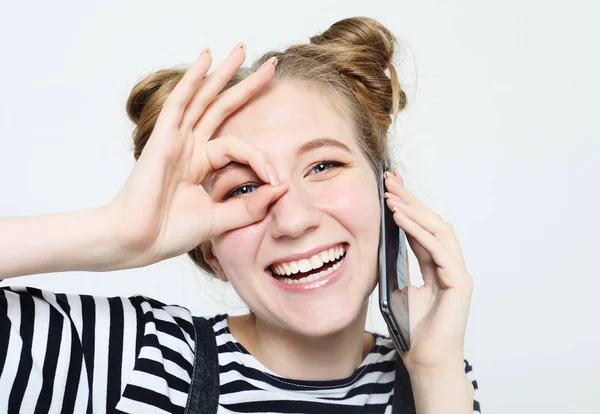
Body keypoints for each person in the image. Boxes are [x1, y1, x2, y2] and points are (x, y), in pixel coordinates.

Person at [0, 16, 481, 414]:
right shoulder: (130, 361)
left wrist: (435, 373)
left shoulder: (438, 380)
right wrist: (118, 232)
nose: (293, 221)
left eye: (323, 166)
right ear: (209, 248)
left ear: (386, 189)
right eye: (244, 188)